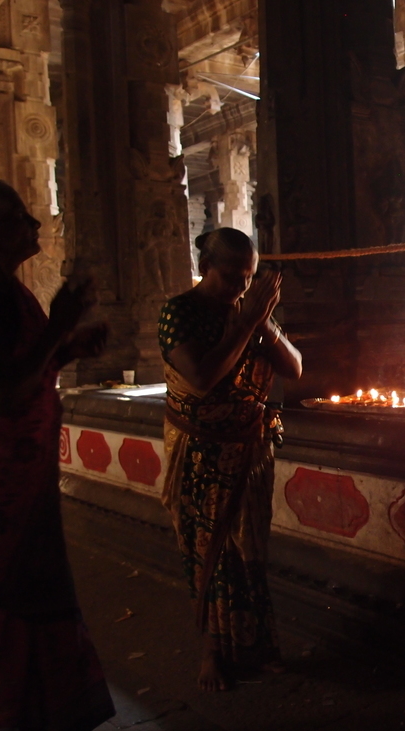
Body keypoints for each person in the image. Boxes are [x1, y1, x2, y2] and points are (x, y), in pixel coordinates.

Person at [0, 178, 114, 731]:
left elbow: (20, 368)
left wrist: (65, 349)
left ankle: (40, 728)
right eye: (18, 216)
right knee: (3, 597)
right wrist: (60, 326)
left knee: (36, 589)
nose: (35, 225)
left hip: (18, 473)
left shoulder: (4, 291)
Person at [159, 227, 302, 692]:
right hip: (202, 453)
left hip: (248, 449)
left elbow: (295, 368)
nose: (241, 286)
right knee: (209, 554)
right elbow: (201, 379)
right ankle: (212, 653)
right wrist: (246, 323)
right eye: (232, 276)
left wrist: (262, 322)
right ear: (205, 268)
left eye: (249, 277)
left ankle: (259, 646)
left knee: (250, 552)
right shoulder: (180, 312)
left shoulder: (250, 312)